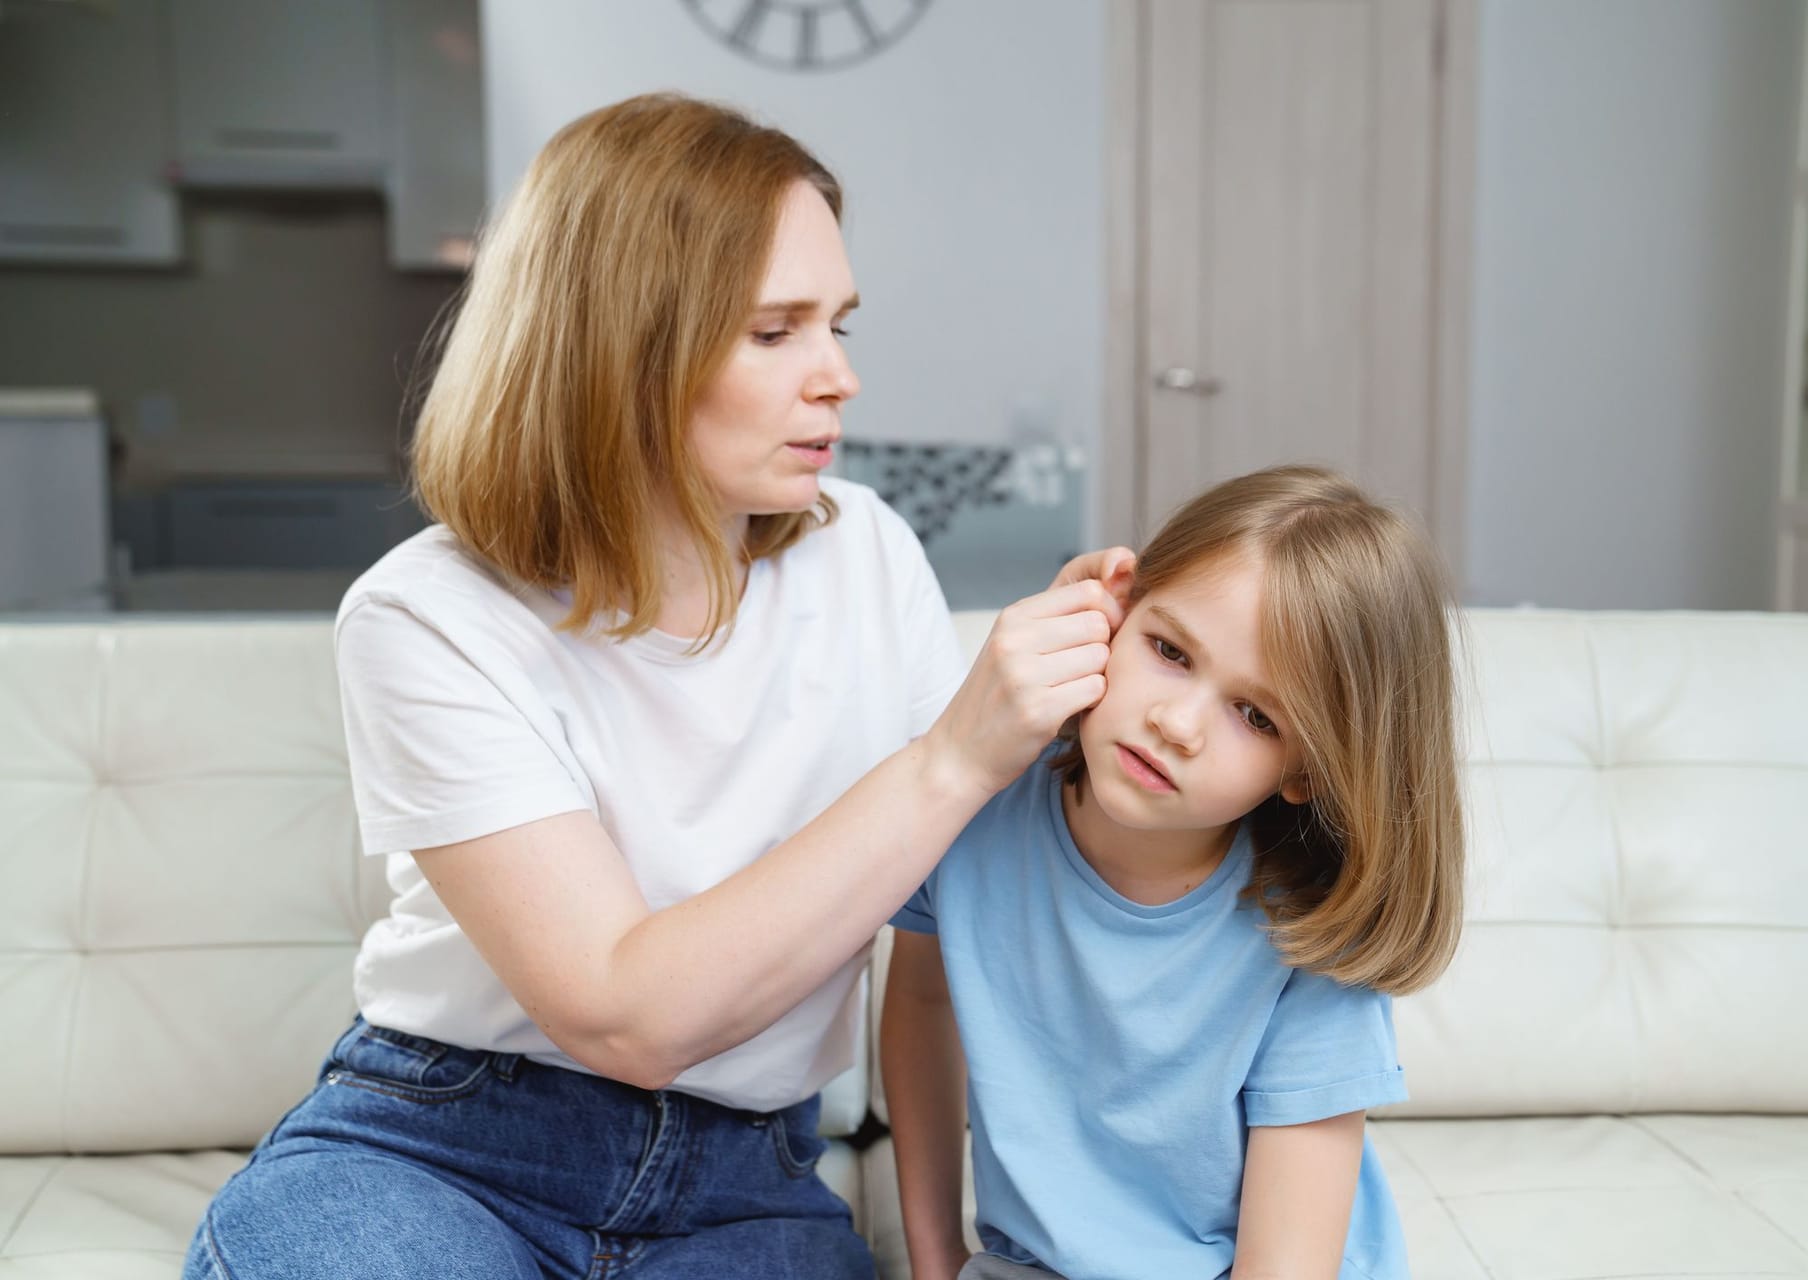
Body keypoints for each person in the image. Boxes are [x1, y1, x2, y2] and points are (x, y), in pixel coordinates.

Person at [183, 93, 1133, 1280]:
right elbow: (622, 1010)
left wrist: (1148, 670)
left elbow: (970, 919)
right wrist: (952, 757)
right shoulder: (426, 613)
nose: (838, 376)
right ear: (622, 352)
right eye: (776, 330)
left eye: (839, 324)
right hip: (448, 1149)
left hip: (750, 1184)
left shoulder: (868, 550)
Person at [883, 465, 1467, 1280]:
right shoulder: (975, 804)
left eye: (1256, 715)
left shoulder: (1308, 933)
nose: (1177, 723)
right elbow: (920, 998)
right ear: (1114, 612)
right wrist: (937, 1256)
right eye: (1169, 650)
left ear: (1306, 771)